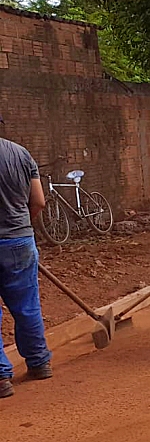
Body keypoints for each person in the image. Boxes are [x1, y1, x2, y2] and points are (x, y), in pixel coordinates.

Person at [0, 114, 53, 398]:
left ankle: (0, 377)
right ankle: (39, 362)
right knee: (27, 307)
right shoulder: (21, 153)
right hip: (20, 241)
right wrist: (22, 229)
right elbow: (39, 201)